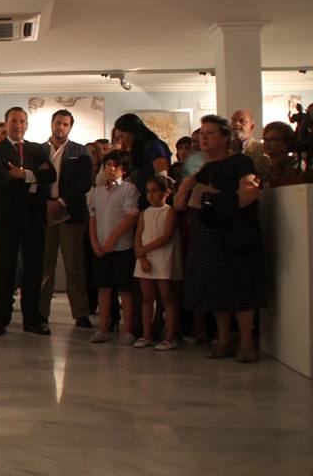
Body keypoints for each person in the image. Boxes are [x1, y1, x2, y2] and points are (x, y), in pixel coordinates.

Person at [176, 115, 263, 363]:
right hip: (205, 234)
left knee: (241, 289)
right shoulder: (196, 165)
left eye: (210, 133)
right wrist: (187, 186)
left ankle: (246, 342)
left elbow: (249, 193)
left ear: (225, 138)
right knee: (215, 289)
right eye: (202, 133)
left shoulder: (240, 161)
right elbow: (179, 204)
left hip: (235, 232)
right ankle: (223, 340)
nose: (203, 137)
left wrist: (214, 201)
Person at [0, 107, 56, 337]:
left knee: (34, 269)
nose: (18, 125)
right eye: (13, 121)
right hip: (7, 218)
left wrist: (24, 174)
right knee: (5, 269)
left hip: (34, 217)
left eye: (22, 121)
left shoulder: (37, 149)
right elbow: (2, 181)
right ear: (6, 124)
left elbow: (51, 175)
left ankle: (32, 319)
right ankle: (0, 318)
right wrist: (35, 177)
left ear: (27, 125)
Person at [40, 110, 93, 328]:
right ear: (51, 124)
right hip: (44, 213)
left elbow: (85, 182)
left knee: (73, 265)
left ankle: (80, 313)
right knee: (45, 265)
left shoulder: (80, 151)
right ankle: (41, 312)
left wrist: (61, 201)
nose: (60, 127)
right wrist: (45, 203)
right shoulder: (39, 150)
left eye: (65, 124)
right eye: (57, 123)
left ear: (70, 127)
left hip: (70, 213)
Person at [88, 150, 139, 345]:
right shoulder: (97, 191)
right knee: (103, 287)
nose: (111, 169)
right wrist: (95, 243)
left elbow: (130, 218)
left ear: (123, 169)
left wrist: (112, 240)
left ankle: (127, 330)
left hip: (122, 248)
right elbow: (93, 218)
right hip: (101, 248)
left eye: (115, 166)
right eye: (108, 165)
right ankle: (102, 328)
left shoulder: (129, 189)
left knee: (125, 289)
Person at [133, 176, 181, 350]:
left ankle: (169, 337)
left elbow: (166, 236)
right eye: (148, 192)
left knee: (167, 297)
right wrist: (141, 257)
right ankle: (146, 335)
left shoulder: (169, 212)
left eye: (155, 191)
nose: (150, 195)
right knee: (147, 298)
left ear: (166, 192)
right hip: (144, 259)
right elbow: (138, 235)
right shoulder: (144, 213)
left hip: (163, 258)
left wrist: (144, 250)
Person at [112, 114, 171, 209]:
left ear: (133, 131)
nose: (121, 141)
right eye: (118, 138)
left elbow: (162, 178)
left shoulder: (154, 146)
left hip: (155, 202)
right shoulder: (136, 150)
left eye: (122, 136)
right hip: (142, 200)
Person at [262, 121, 308, 187]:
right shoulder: (263, 165)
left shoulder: (295, 164)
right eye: (265, 139)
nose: (267, 144)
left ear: (286, 143)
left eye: (273, 140)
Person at [230, 109, 271, 181]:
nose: (237, 124)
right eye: (233, 120)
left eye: (242, 121)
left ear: (252, 126)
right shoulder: (222, 148)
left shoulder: (262, 149)